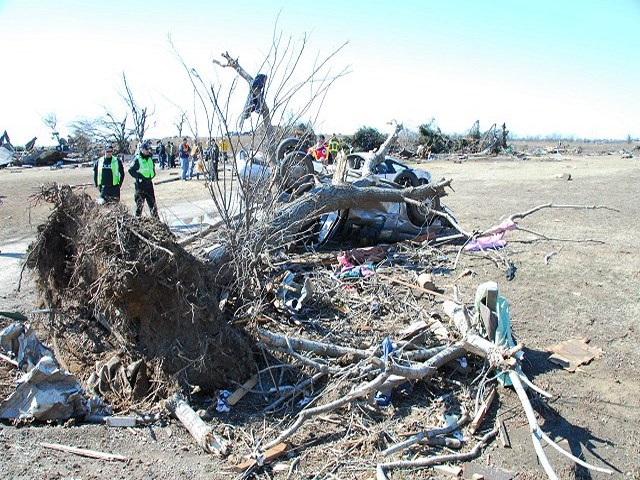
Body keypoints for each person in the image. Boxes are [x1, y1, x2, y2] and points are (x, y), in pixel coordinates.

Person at [128, 141, 159, 218]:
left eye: (148, 149)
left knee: (152, 204)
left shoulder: (149, 158)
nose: (148, 151)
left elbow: (152, 168)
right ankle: (137, 221)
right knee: (139, 205)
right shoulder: (137, 159)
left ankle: (156, 221)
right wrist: (140, 176)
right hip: (140, 185)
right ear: (141, 149)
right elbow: (131, 170)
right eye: (146, 149)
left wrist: (152, 174)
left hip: (149, 183)